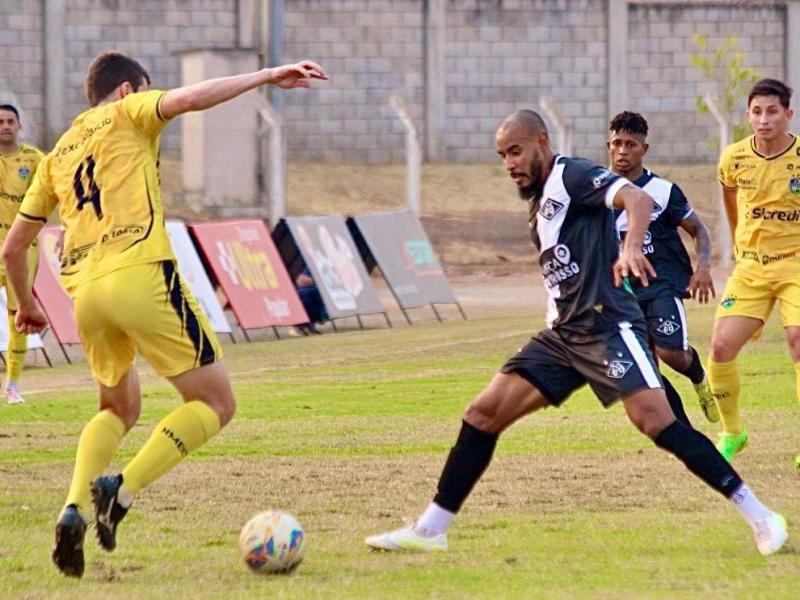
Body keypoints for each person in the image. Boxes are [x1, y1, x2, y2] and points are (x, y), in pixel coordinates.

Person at [365, 109, 787, 556]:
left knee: (658, 424)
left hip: (608, 325)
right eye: (502, 155)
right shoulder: (540, 203)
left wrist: (628, 250)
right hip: (565, 334)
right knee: (482, 414)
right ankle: (432, 530)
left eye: (516, 150)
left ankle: (762, 516)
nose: (509, 163)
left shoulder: (571, 175)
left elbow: (637, 201)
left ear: (542, 142)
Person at [1, 51, 327, 578]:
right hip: (141, 273)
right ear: (129, 89)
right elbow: (193, 98)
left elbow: (13, 249)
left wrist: (28, 305)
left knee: (117, 408)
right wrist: (267, 75)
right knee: (215, 403)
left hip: (86, 294)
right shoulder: (131, 111)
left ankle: (73, 508)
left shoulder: (57, 153)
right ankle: (120, 493)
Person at [708, 78, 800, 465]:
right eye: (757, 112)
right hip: (751, 268)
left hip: (796, 264)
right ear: (748, 115)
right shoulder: (733, 158)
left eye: (772, 111)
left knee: (798, 340)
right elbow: (732, 202)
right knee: (720, 347)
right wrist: (742, 249)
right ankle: (733, 432)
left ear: (788, 114)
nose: (764, 120)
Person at [607, 111, 718, 423]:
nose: (622, 151)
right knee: (646, 366)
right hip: (621, 290)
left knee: (671, 354)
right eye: (617, 143)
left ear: (645, 149)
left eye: (630, 144)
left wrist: (703, 267)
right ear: (608, 145)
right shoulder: (595, 191)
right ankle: (682, 429)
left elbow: (698, 230)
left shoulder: (663, 191)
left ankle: (699, 377)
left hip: (661, 283)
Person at [0, 103, 44, 405]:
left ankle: (13, 385)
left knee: (19, 316)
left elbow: (57, 193)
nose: (5, 126)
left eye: (10, 121)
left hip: (21, 249)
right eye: (0, 121)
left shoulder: (34, 159)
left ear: (19, 125)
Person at [293, 266, 327, 335]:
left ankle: (302, 329)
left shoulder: (297, 292)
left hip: (303, 312)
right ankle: (311, 329)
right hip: (314, 312)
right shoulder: (315, 290)